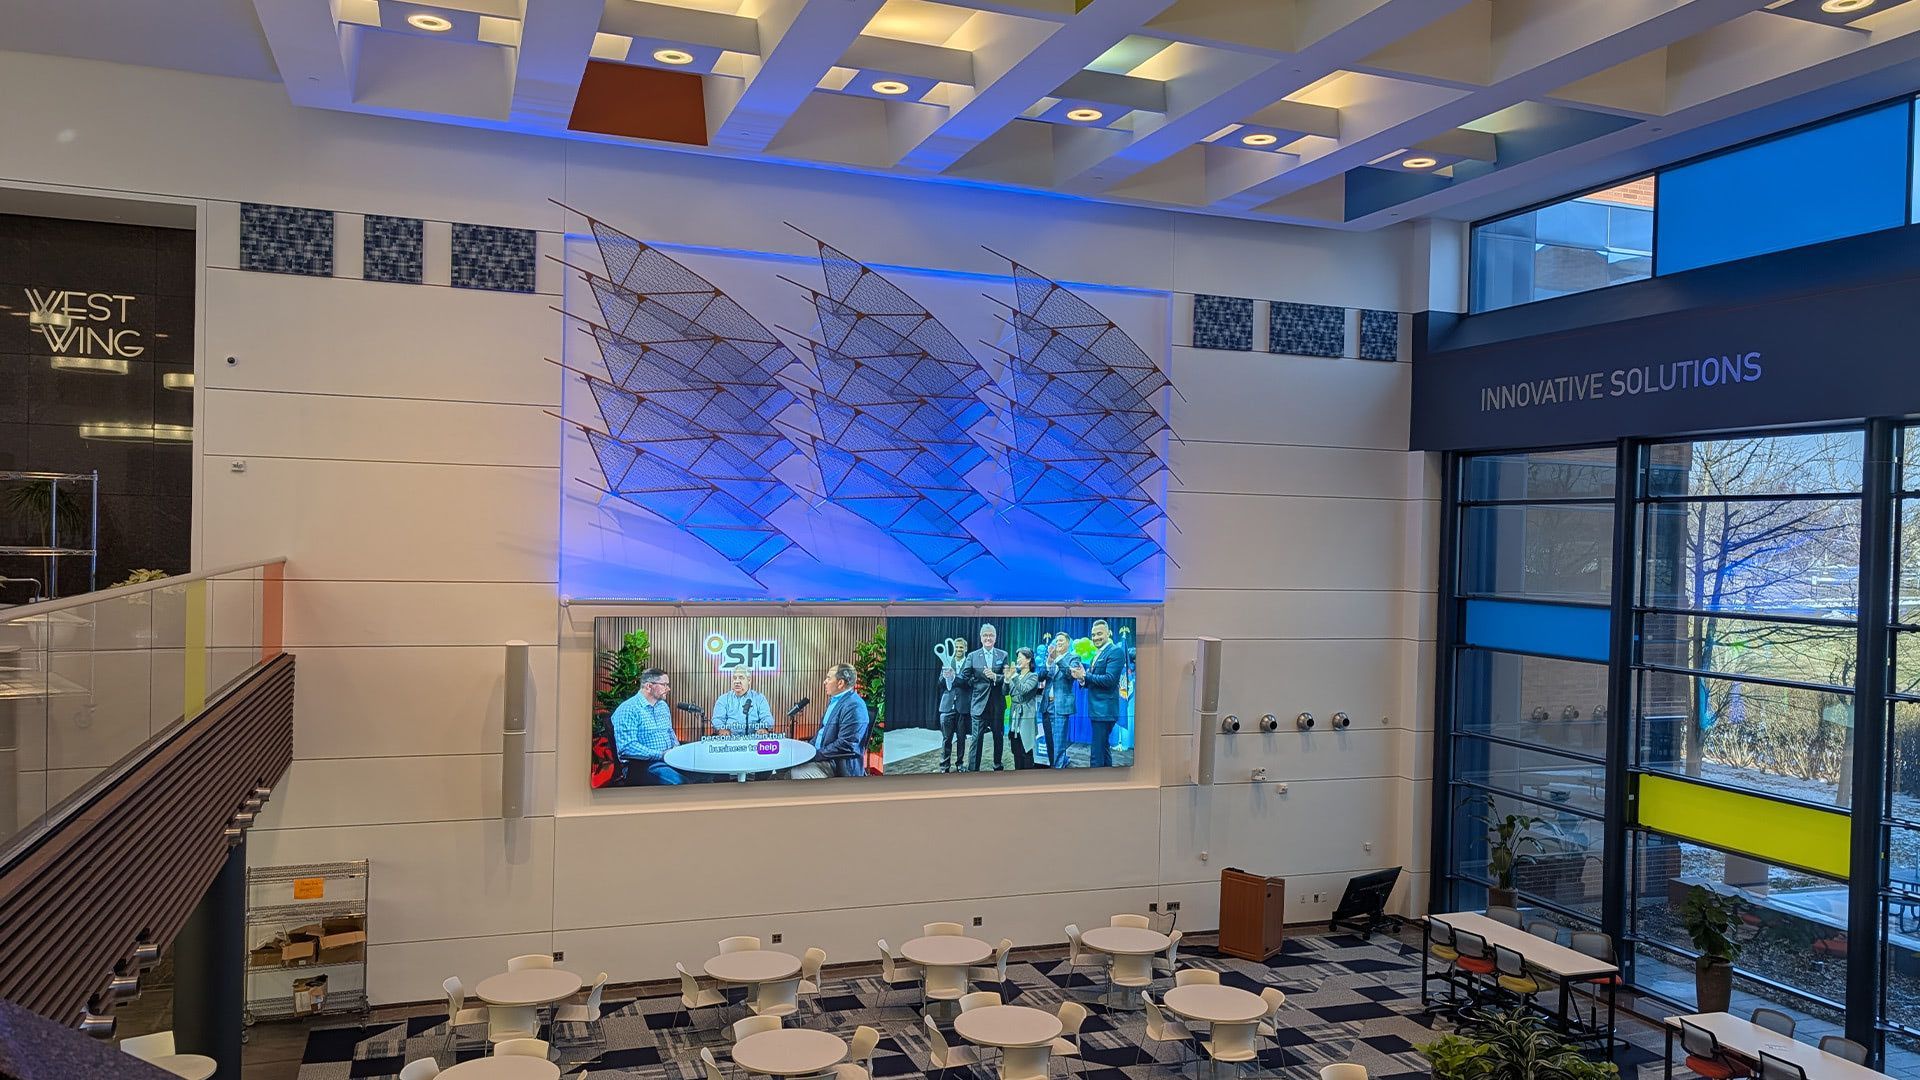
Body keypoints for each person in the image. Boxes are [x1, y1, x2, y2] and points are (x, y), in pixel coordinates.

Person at [609, 668, 690, 785]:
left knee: (704, 776)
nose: (668, 689)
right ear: (648, 686)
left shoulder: (663, 706)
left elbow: (670, 733)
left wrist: (676, 752)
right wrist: (661, 755)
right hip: (641, 765)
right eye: (664, 685)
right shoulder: (628, 709)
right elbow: (627, 748)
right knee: (680, 783)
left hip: (668, 760)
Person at [791, 662, 869, 779]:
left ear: (840, 683)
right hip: (823, 757)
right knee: (787, 768)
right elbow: (822, 733)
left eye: (828, 678)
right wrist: (807, 750)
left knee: (795, 773)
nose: (825, 682)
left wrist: (815, 755)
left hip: (835, 764)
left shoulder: (854, 706)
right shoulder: (835, 700)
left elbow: (845, 745)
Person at [959, 623, 1008, 771]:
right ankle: (973, 769)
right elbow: (964, 677)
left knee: (998, 737)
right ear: (981, 638)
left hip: (997, 704)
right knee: (976, 739)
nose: (988, 638)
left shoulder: (1003, 655)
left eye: (991, 635)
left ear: (995, 637)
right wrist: (971, 682)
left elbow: (1007, 677)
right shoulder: (972, 656)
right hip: (979, 704)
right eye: (985, 635)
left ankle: (997, 765)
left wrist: (995, 677)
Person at [1075, 620, 1124, 768]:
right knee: (1103, 749)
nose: (1095, 637)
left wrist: (1085, 676)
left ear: (1108, 633)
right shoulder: (1097, 654)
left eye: (1099, 634)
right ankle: (1109, 779)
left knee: (1096, 755)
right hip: (1098, 710)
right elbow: (1093, 680)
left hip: (1105, 711)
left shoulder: (1115, 651)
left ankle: (1094, 780)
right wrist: (1081, 679)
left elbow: (1110, 680)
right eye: (1093, 635)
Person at [1040, 632, 1077, 768]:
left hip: (1060, 706)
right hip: (1046, 705)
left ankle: (1058, 770)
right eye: (1057, 641)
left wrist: (1058, 659)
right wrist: (1048, 663)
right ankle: (1053, 766)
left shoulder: (1073, 657)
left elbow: (1070, 675)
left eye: (1061, 640)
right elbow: (1040, 676)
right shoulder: (1051, 658)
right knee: (1049, 741)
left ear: (1068, 643)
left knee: (1059, 743)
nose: (1058, 643)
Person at [1004, 647, 1042, 770]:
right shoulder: (1016, 676)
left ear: (1028, 659)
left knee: (1026, 749)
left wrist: (1014, 676)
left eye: (1020, 657)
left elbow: (1024, 690)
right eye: (1017, 658)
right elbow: (1005, 692)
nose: (1017, 660)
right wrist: (1006, 679)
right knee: (1016, 750)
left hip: (1026, 716)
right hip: (1014, 716)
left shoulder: (1033, 676)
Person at [711, 666, 773, 737]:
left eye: (741, 678)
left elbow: (767, 718)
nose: (737, 681)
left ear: (749, 680)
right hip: (729, 739)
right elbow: (717, 719)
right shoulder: (723, 699)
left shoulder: (759, 698)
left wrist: (764, 728)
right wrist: (721, 729)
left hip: (754, 739)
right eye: (734, 678)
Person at [937, 644, 966, 773]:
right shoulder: (947, 663)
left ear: (965, 649)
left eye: (961, 647)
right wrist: (945, 676)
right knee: (946, 738)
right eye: (957, 647)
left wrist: (954, 677)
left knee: (961, 738)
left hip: (962, 706)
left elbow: (968, 682)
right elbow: (940, 683)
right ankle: (944, 766)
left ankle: (960, 764)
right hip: (947, 707)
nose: (959, 649)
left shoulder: (969, 662)